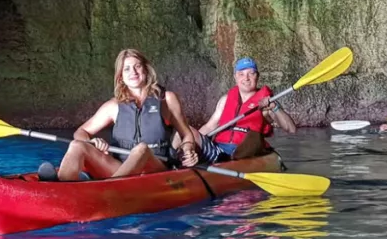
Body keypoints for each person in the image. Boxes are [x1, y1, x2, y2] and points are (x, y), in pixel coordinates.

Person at [40, 49, 199, 181]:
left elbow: (187, 135)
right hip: (120, 168)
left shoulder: (167, 99)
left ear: (146, 69)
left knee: (141, 149)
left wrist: (188, 149)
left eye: (137, 66)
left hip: (155, 168)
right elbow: (80, 133)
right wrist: (92, 141)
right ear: (121, 76)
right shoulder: (113, 106)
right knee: (76, 145)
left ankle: (109, 189)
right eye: (127, 69)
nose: (133, 72)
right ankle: (62, 186)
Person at [191, 56, 297, 163]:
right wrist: (191, 142)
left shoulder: (266, 103)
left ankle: (228, 160)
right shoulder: (225, 100)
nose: (246, 78)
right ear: (235, 77)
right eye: (241, 74)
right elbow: (209, 126)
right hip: (219, 149)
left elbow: (291, 129)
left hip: (245, 151)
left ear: (257, 76)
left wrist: (275, 107)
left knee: (253, 137)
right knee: (188, 132)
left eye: (251, 73)